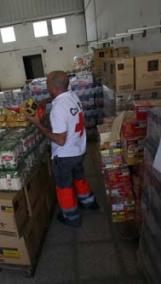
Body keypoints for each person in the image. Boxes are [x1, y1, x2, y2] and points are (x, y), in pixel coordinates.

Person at [27, 71, 99, 227]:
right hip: (79, 148)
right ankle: (88, 202)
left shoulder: (58, 109)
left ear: (52, 88)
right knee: (79, 177)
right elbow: (58, 97)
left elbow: (60, 140)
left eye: (47, 84)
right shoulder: (73, 96)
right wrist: (46, 101)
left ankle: (71, 217)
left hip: (65, 155)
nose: (46, 87)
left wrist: (37, 123)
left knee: (64, 186)